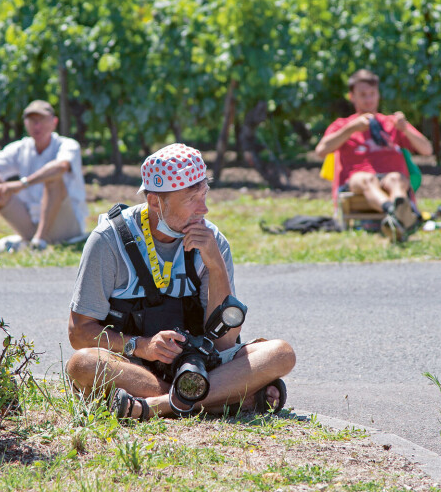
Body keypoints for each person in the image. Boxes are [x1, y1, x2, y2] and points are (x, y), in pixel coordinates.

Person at [65, 143, 295, 420]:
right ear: (155, 202)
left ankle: (160, 405)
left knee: (281, 353)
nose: (204, 209)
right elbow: (79, 333)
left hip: (200, 365)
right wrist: (142, 346)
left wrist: (215, 265)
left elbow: (225, 342)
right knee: (82, 364)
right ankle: (225, 398)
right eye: (191, 199)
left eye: (204, 195)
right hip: (136, 367)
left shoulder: (213, 241)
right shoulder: (108, 241)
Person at [314, 69, 433, 241]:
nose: (369, 99)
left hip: (390, 179)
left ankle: (397, 215)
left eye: (372, 94)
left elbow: (427, 150)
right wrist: (350, 129)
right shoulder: (343, 124)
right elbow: (321, 151)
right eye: (363, 95)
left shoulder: (392, 123)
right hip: (357, 182)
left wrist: (405, 128)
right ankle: (396, 213)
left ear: (378, 95)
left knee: (396, 179)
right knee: (367, 179)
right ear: (352, 96)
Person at [0, 100, 87, 250]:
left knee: (53, 179)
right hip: (29, 225)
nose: (37, 126)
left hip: (65, 227)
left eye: (42, 120)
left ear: (54, 122)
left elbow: (60, 167)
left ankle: (39, 241)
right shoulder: (20, 147)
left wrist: (23, 183)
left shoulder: (68, 145)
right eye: (32, 121)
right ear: (26, 123)